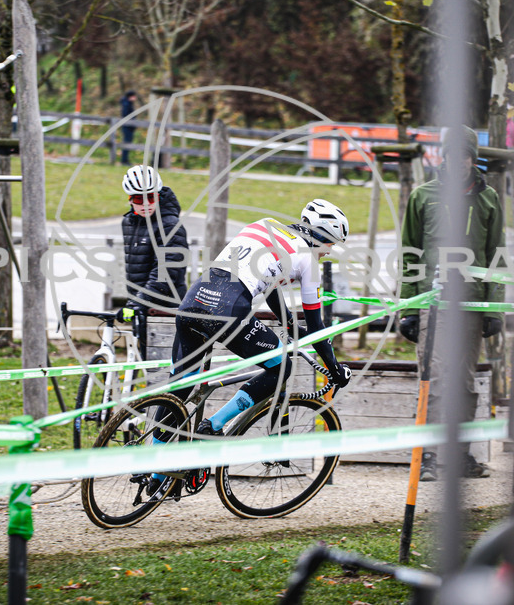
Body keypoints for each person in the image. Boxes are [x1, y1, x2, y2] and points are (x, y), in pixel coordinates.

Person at [168, 199, 354, 442]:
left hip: (193, 302)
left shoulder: (267, 225)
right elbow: (317, 328)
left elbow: (270, 283)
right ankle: (213, 425)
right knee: (281, 366)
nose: (329, 250)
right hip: (227, 310)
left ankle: (153, 469)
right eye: (330, 243)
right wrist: (335, 369)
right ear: (319, 235)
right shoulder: (309, 261)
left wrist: (288, 325)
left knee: (179, 388)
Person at [398, 125, 505, 481]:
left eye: (467, 155)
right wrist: (409, 309)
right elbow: (409, 256)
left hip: (471, 305)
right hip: (432, 302)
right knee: (435, 377)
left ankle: (460, 454)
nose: (459, 161)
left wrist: (494, 308)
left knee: (463, 380)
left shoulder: (489, 200)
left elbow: (496, 256)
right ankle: (426, 455)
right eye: (453, 154)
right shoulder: (422, 197)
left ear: (474, 159)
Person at [121, 165, 189, 359]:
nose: (145, 204)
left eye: (150, 197)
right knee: (146, 367)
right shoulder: (129, 223)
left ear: (158, 195)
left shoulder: (170, 226)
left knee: (164, 371)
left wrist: (137, 302)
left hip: (168, 309)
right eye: (138, 199)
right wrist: (134, 302)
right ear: (130, 199)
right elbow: (136, 269)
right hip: (142, 307)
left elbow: (165, 273)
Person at [119, 90, 138, 165]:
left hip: (129, 126)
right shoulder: (127, 104)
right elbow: (127, 115)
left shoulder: (128, 104)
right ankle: (124, 160)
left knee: (127, 142)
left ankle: (125, 159)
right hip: (127, 127)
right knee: (127, 143)